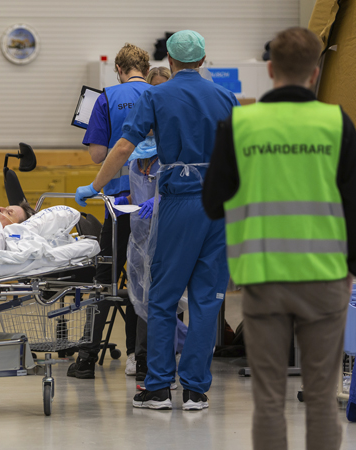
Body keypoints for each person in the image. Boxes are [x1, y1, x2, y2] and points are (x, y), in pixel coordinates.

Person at [203, 27, 356, 450]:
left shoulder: (241, 124)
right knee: (320, 400)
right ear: (315, 73)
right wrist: (351, 267)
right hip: (325, 278)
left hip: (263, 278)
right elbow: (355, 207)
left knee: (269, 402)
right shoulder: (336, 123)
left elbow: (213, 203)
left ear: (271, 70)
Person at [76, 30, 239, 410]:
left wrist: (94, 186)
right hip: (219, 207)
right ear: (203, 60)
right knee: (207, 301)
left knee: (163, 298)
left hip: (179, 204)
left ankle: (159, 388)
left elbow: (122, 147)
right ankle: (196, 390)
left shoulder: (156, 95)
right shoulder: (226, 97)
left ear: (169, 59)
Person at [69, 43, 153, 380]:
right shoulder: (159, 95)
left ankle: (86, 359)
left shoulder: (106, 98)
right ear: (146, 69)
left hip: (118, 205)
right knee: (143, 279)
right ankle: (139, 359)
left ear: (118, 68)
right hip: (152, 204)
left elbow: (97, 154)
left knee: (105, 281)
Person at [125, 66, 171, 381]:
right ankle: (142, 357)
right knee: (143, 296)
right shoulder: (136, 160)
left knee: (167, 296)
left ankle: (170, 355)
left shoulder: (172, 151)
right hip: (141, 237)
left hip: (168, 232)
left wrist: (159, 200)